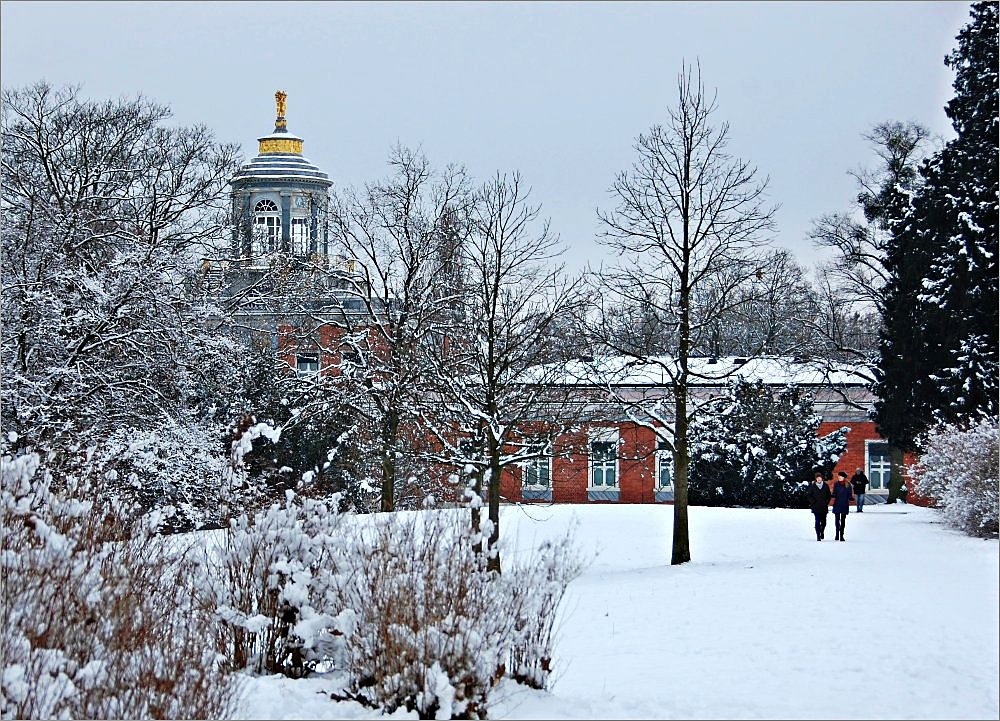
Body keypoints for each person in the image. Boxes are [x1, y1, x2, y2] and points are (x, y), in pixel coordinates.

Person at [809, 472, 832, 541]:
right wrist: (813, 502)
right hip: (816, 507)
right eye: (817, 478)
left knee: (824, 522)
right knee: (817, 521)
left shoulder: (825, 485)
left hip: (824, 507)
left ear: (822, 478)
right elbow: (809, 495)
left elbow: (829, 495)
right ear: (816, 479)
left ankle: (822, 531)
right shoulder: (813, 486)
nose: (819, 479)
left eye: (820, 478)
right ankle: (818, 536)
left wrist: (826, 502)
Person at [832, 471, 854, 541]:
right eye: (838, 476)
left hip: (844, 504)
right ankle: (837, 534)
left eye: (840, 476)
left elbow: (850, 493)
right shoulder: (836, 484)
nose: (839, 477)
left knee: (843, 520)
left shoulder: (848, 484)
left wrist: (850, 497)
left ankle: (841, 535)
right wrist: (833, 495)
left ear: (843, 477)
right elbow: (834, 492)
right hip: (837, 504)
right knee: (837, 520)